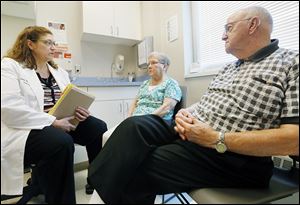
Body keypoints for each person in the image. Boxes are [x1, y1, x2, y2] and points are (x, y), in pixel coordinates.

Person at [87, 6, 299, 203]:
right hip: (193, 134)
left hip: (235, 157)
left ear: (252, 25)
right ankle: (96, 184)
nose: (223, 35)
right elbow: (208, 103)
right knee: (132, 127)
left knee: (135, 165)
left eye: (229, 28)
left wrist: (216, 138)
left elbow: (294, 140)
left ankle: (96, 195)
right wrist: (185, 112)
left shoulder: (291, 63)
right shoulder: (229, 68)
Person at [1, 26, 107, 203]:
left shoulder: (58, 72)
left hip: (58, 121)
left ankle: (96, 181)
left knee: (97, 127)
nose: (53, 47)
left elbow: (68, 98)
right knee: (60, 142)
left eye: (54, 43)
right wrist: (52, 122)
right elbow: (9, 107)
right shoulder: (10, 66)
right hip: (26, 127)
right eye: (47, 43)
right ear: (30, 44)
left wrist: (79, 110)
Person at [101, 52, 182, 146]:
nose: (149, 66)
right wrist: (129, 118)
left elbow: (166, 108)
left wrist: (144, 119)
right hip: (136, 121)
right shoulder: (145, 84)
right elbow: (135, 102)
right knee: (106, 136)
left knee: (120, 140)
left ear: (165, 66)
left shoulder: (171, 84)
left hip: (156, 122)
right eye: (148, 64)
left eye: (153, 62)